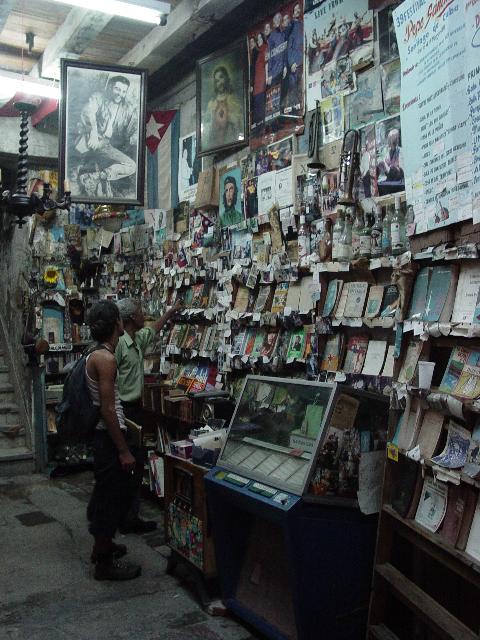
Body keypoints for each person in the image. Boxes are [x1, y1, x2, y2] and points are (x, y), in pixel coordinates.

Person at [115, 298, 182, 533]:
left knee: (136, 462)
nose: (145, 315)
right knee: (128, 464)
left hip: (135, 409)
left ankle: (129, 516)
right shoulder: (121, 344)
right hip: (123, 409)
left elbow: (153, 329)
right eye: (142, 311)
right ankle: (126, 519)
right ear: (133, 318)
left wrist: (170, 313)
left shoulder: (136, 339)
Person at [85, 300, 141, 581]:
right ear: (116, 323)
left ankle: (102, 546)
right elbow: (108, 410)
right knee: (111, 500)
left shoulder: (97, 354)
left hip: (105, 437)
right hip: (108, 438)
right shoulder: (105, 359)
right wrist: (123, 450)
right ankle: (105, 564)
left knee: (107, 495)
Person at [74, 75, 137, 197]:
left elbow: (130, 131)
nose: (120, 94)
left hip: (106, 146)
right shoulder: (98, 97)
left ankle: (98, 176)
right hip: (89, 140)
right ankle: (88, 178)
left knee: (132, 166)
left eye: (124, 91)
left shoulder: (127, 109)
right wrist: (93, 133)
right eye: (117, 89)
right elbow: (88, 111)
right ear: (110, 87)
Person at [203, 65, 243, 150]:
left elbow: (240, 124)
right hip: (214, 144)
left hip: (231, 142)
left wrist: (231, 117)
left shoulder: (233, 100)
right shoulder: (211, 104)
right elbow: (205, 130)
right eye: (217, 81)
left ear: (226, 78)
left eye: (221, 77)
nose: (220, 82)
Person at [286, 3, 303, 111]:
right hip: (294, 60)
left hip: (301, 58)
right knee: (292, 83)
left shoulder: (301, 24)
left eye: (298, 9)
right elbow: (288, 46)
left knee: (299, 83)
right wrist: (291, 62)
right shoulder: (290, 25)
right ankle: (293, 104)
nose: (297, 11)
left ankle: (298, 104)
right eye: (295, 9)